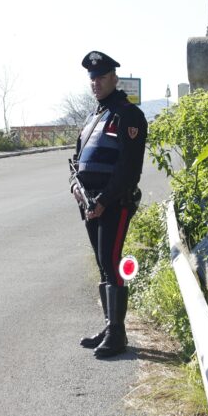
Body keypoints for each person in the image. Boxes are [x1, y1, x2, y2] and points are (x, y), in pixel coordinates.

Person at [68, 51, 147, 358]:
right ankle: (109, 324)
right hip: (89, 203)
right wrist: (76, 188)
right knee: (103, 265)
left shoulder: (128, 115)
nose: (96, 83)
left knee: (111, 263)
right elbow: (77, 161)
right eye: (92, 78)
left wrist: (103, 200)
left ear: (114, 78)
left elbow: (129, 168)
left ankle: (118, 334)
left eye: (101, 77)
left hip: (114, 202)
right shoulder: (93, 117)